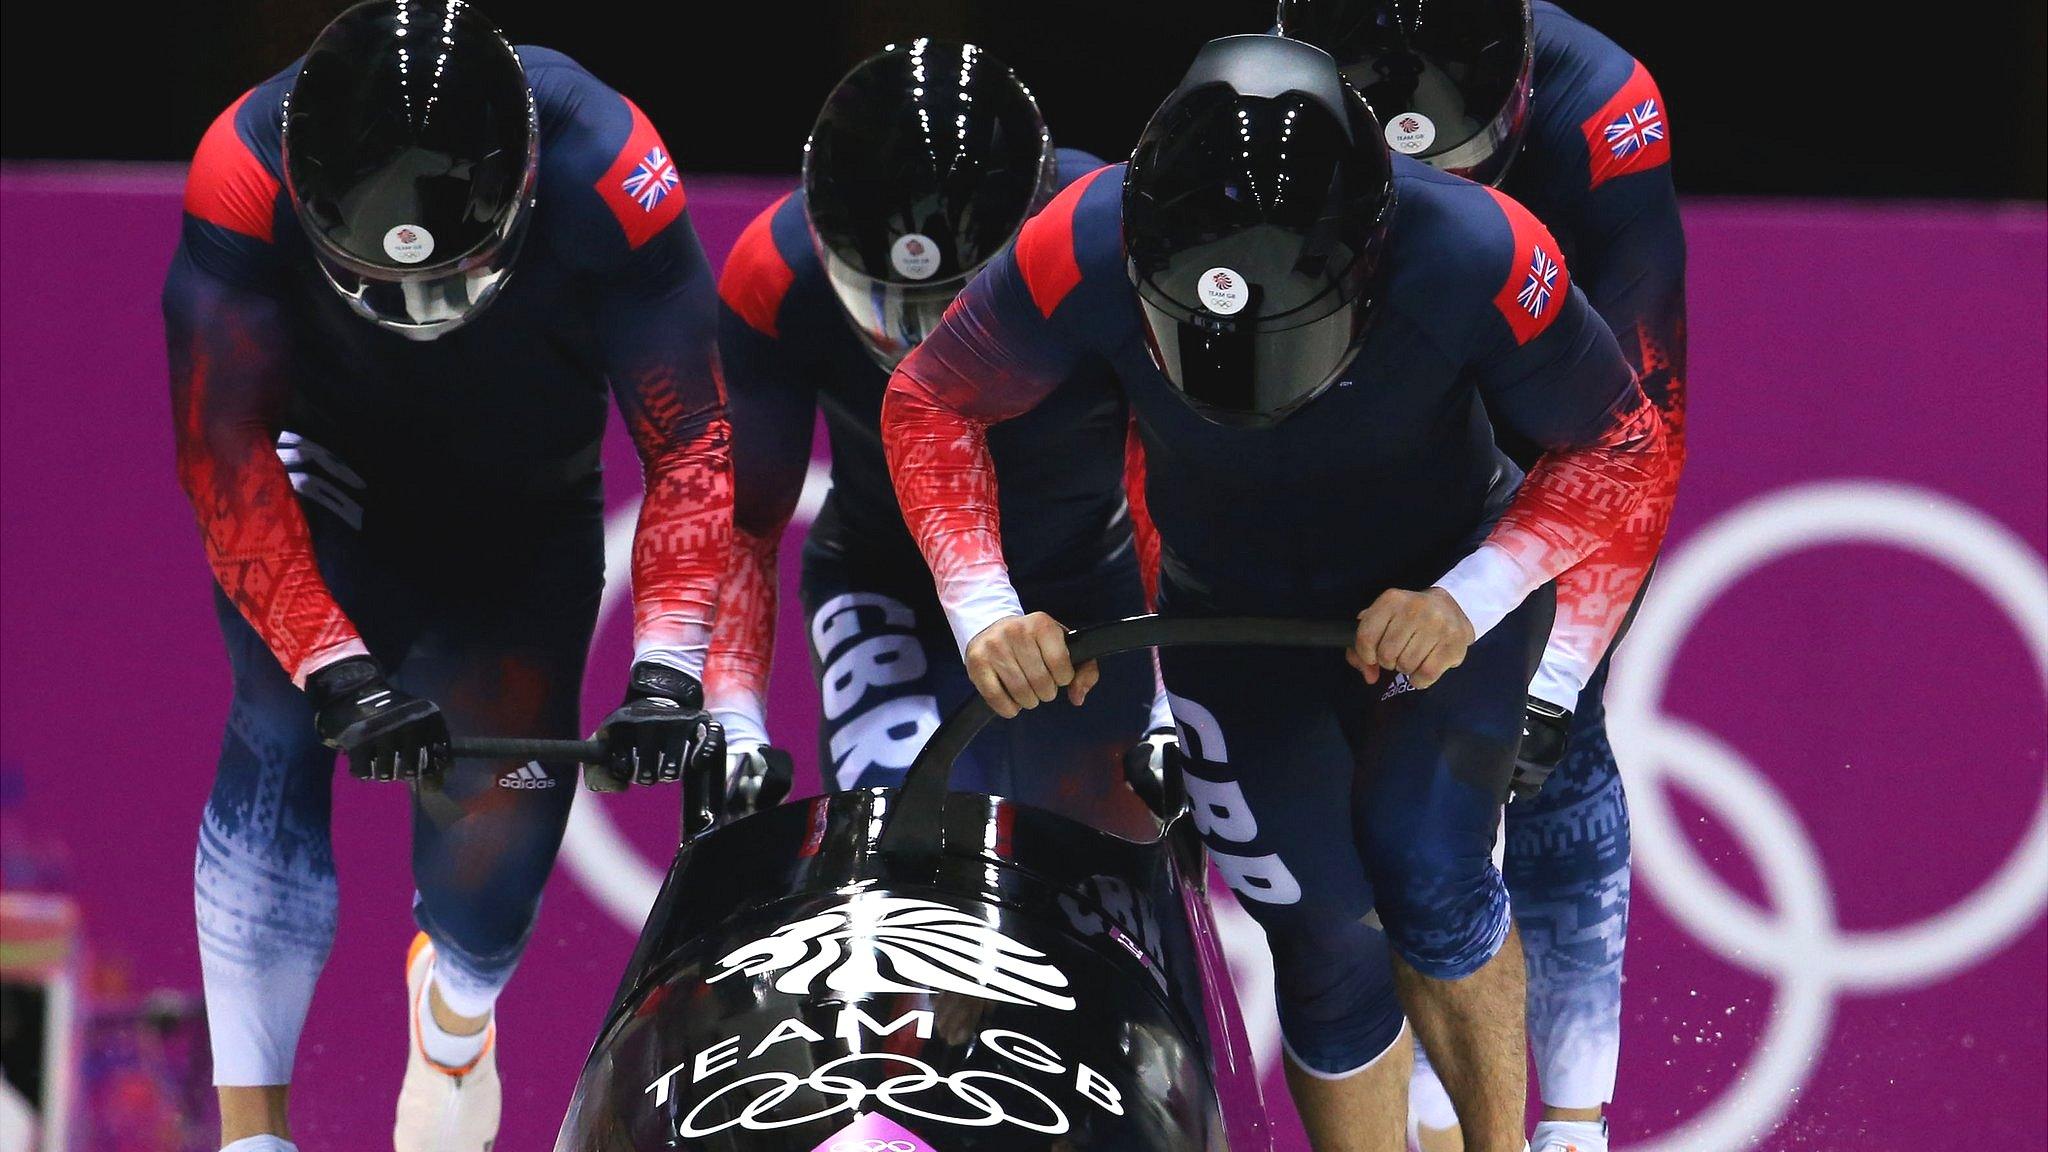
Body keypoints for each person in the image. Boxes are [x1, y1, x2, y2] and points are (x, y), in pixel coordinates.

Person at [881, 34, 1670, 1152]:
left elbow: (1619, 446)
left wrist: (1471, 594)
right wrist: (982, 609)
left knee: (1426, 863)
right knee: (1316, 932)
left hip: (1439, 593)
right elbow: (931, 403)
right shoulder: (1073, 247)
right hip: (1229, 609)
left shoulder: (1480, 252)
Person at [163, 3, 729, 1149]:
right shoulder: (241, 168)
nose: (420, 313)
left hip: (519, 526)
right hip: (325, 484)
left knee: (486, 894)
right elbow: (224, 454)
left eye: (450, 282)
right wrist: (337, 671)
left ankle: (455, 1018)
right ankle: (251, 1133)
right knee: (278, 723)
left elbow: (691, 446)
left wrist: (668, 670)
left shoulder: (612, 166)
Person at [1278, 3, 1688, 1148]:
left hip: (1542, 409)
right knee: (1373, 789)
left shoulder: (1601, 112)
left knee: (1543, 747)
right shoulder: (1259, 114)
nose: (1434, 200)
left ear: (1510, 107)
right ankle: (1423, 1123)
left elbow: (1632, 427)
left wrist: (1548, 677)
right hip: (1371, 420)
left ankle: (1567, 1127)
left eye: (1459, 166)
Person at [706, 38, 1161, 831]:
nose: (926, 349)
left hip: (1093, 588)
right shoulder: (772, 277)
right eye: (891, 305)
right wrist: (733, 716)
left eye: (962, 306)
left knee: (1110, 876)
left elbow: (1168, 467)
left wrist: (1170, 694)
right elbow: (744, 520)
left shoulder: (1106, 242)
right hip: (887, 586)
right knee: (906, 850)